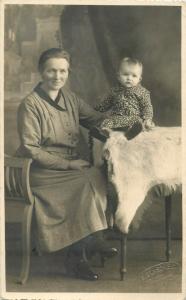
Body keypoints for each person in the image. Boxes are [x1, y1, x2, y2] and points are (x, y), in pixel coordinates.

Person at [16, 48, 118, 281]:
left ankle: (86, 245)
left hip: (69, 167)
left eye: (62, 71)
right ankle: (83, 252)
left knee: (97, 175)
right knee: (85, 180)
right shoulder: (30, 104)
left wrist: (127, 120)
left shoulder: (71, 99)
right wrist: (68, 165)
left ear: (67, 72)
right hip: (39, 170)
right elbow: (31, 149)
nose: (57, 76)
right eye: (52, 70)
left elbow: (96, 119)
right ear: (41, 71)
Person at [94, 57, 155, 140]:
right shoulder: (114, 91)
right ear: (118, 76)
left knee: (137, 121)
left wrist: (147, 119)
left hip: (132, 118)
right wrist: (98, 109)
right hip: (117, 119)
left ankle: (131, 132)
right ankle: (105, 132)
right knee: (106, 121)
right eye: (126, 74)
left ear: (139, 79)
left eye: (134, 76)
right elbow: (106, 103)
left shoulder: (142, 92)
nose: (129, 78)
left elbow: (147, 106)